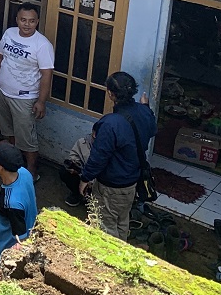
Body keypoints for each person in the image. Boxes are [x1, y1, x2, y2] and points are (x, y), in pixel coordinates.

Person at [79, 71, 158, 240]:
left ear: (110, 93)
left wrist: (85, 179)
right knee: (123, 220)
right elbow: (151, 129)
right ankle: (123, 251)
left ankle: (109, 263)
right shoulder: (143, 112)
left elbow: (98, 157)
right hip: (131, 182)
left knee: (105, 228)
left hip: (111, 185)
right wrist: (146, 108)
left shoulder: (110, 123)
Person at [0, 3, 53, 179]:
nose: (27, 24)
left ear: (37, 22)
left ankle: (31, 172)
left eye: (31, 21)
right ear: (17, 20)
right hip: (3, 91)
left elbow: (47, 75)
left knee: (27, 140)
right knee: (8, 132)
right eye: (23, 20)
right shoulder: (9, 33)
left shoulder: (42, 45)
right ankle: (14, 164)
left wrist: (41, 101)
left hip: (25, 98)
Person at [0, 141, 38, 274]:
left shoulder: (10, 202)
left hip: (6, 247)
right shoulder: (24, 173)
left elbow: (21, 238)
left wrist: (3, 266)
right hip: (30, 224)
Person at [59, 132, 93, 208]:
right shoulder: (83, 142)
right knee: (64, 171)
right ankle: (77, 194)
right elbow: (74, 156)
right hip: (83, 174)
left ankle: (93, 202)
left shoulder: (110, 150)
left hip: (99, 182)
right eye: (93, 136)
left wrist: (90, 182)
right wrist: (75, 166)